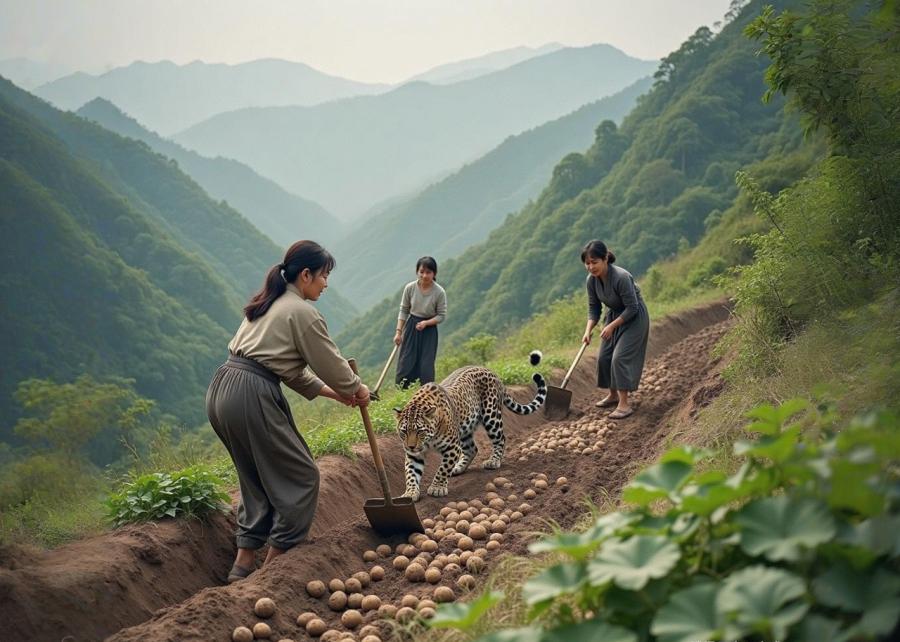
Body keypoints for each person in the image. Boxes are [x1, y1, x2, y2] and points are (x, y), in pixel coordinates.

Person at [206, 240, 370, 583]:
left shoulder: (269, 303)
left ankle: (243, 563)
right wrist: (356, 388)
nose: (326, 284)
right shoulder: (303, 313)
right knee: (302, 477)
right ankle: (274, 564)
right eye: (324, 276)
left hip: (224, 388)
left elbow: (291, 370)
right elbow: (331, 363)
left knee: (255, 477)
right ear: (306, 274)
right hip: (252, 393)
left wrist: (336, 395)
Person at [580, 240, 650, 419]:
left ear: (605, 259)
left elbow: (632, 307)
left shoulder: (621, 277)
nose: (590, 267)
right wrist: (588, 331)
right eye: (587, 263)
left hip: (634, 318)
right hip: (613, 317)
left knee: (619, 358)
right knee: (604, 357)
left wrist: (611, 326)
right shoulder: (591, 281)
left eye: (594, 262)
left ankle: (624, 404)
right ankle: (612, 396)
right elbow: (594, 308)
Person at [394, 256, 448, 388]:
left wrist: (426, 323)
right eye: (421, 272)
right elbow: (404, 310)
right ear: (417, 272)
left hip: (429, 331)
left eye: (428, 272)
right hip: (412, 326)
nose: (424, 275)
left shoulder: (439, 292)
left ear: (434, 273)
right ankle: (403, 394)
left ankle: (427, 395)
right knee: (406, 363)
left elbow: (441, 316)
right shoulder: (410, 288)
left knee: (426, 366)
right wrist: (398, 332)